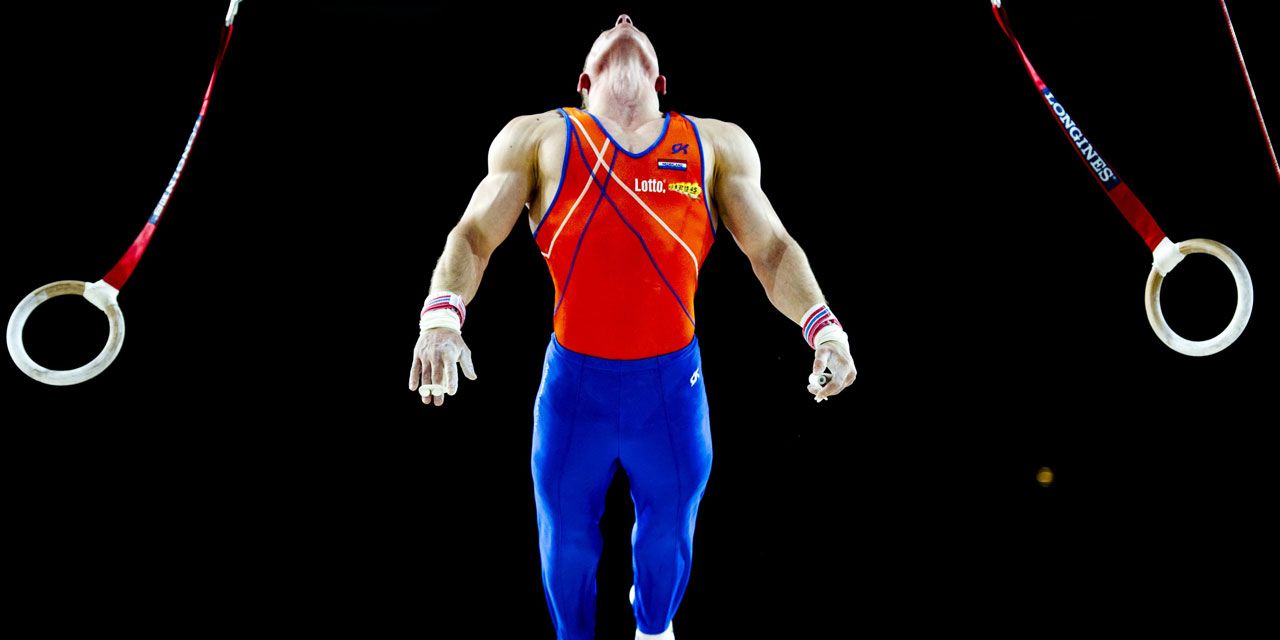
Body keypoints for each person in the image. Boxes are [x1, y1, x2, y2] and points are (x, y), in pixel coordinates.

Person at [407, 14, 857, 640]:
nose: (624, 17)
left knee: (667, 546)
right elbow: (473, 236)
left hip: (671, 394)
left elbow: (774, 250)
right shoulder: (538, 137)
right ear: (583, 81)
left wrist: (825, 328)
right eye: (612, 24)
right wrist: (441, 317)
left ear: (661, 81)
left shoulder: (716, 145)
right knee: (565, 552)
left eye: (634, 23)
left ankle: (653, 627)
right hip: (575, 394)